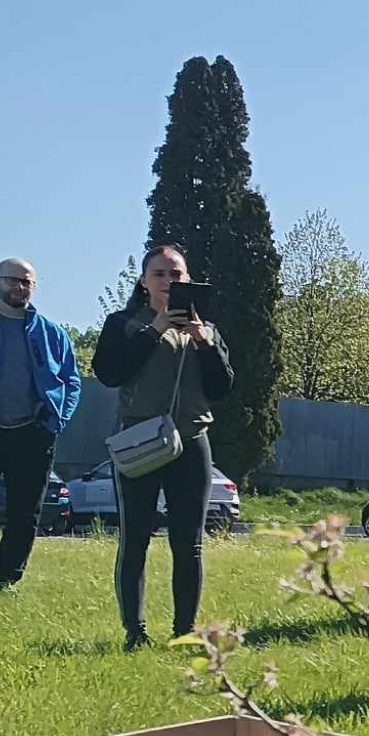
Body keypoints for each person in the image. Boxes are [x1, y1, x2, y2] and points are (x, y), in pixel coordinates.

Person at [91, 244, 236, 650]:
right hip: (140, 441)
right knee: (134, 538)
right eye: (160, 274)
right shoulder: (123, 323)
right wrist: (154, 330)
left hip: (191, 442)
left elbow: (223, 388)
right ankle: (134, 632)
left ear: (189, 281)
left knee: (188, 543)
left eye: (177, 275)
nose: (169, 282)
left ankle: (184, 631)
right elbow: (109, 373)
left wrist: (205, 343)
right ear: (143, 282)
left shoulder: (206, 329)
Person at [0, 258, 81, 592]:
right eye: (12, 280)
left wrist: (56, 419)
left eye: (26, 282)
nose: (19, 287)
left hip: (33, 433)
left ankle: (6, 579)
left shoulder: (52, 333)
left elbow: (71, 381)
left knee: (24, 514)